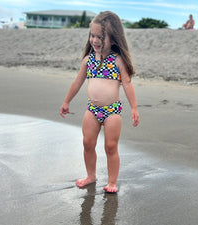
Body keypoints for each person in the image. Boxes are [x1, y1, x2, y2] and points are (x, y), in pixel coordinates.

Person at [60, 11, 139, 193]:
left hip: (112, 111)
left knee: (111, 147)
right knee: (88, 143)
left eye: (100, 37)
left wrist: (134, 107)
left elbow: (126, 84)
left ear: (113, 39)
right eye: (92, 35)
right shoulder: (88, 61)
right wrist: (66, 101)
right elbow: (77, 82)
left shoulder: (117, 60)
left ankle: (112, 182)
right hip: (92, 109)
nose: (94, 40)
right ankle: (91, 175)